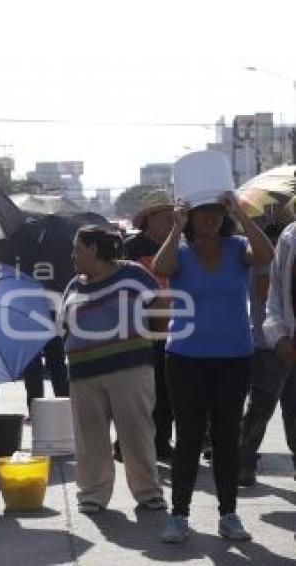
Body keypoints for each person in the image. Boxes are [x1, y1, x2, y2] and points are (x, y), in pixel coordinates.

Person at [154, 161, 273, 543]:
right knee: (188, 438)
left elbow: (266, 254)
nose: (210, 221)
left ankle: (229, 514)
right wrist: (175, 227)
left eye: (217, 215)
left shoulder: (239, 248)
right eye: (203, 216)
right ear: (192, 218)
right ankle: (179, 516)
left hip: (233, 357)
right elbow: (161, 266)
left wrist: (241, 213)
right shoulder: (182, 251)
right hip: (185, 357)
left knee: (225, 438)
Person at [61, 225, 166, 515]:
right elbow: (66, 325)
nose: (73, 255)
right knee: (89, 437)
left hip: (129, 371)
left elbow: (161, 311)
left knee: (136, 434)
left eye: (77, 248)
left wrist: (140, 342)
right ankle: (92, 494)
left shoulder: (132, 274)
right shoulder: (74, 285)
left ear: (94, 250)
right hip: (83, 375)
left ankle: (148, 493)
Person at [113, 190, 176, 463]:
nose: (169, 224)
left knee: (166, 391)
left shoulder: (178, 246)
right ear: (149, 219)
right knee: (134, 392)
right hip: (136, 330)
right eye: (164, 218)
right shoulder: (131, 248)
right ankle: (125, 444)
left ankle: (161, 442)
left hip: (171, 329)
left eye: (172, 219)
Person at [246, 223, 296, 485]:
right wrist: (278, 334)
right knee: (262, 406)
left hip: (275, 340)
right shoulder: (287, 242)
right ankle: (244, 460)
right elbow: (271, 296)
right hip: (272, 345)